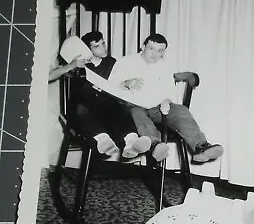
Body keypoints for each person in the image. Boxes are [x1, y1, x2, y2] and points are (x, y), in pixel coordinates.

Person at [108, 33, 224, 163]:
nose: (155, 54)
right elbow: (109, 87)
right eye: (151, 49)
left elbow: (170, 92)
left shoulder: (165, 67)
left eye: (160, 51)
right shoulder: (125, 62)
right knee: (137, 113)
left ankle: (201, 147)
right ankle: (154, 144)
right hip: (133, 105)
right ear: (143, 46)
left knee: (181, 111)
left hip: (157, 108)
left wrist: (167, 101)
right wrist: (126, 83)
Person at [49, 31, 152, 159]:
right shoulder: (79, 64)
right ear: (87, 49)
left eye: (103, 43)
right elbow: (49, 76)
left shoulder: (112, 63)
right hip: (82, 108)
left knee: (119, 110)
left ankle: (131, 141)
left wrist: (127, 83)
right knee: (84, 109)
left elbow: (120, 84)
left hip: (106, 107)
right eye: (97, 46)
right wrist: (71, 65)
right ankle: (103, 140)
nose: (103, 47)